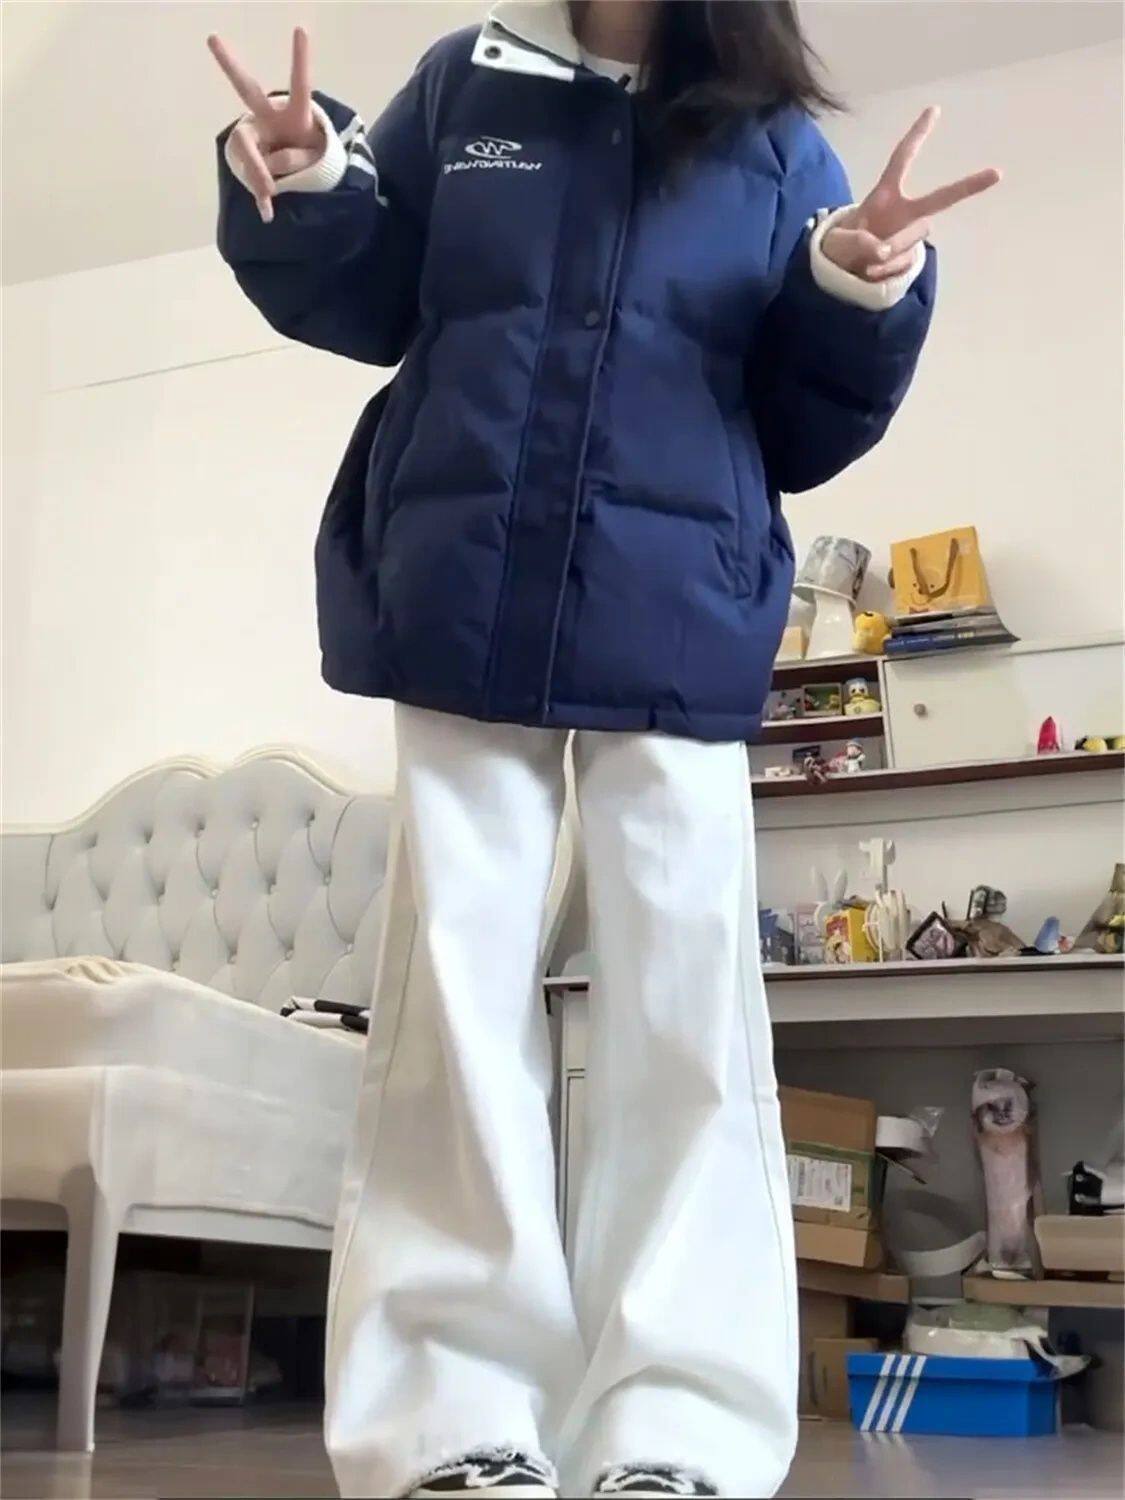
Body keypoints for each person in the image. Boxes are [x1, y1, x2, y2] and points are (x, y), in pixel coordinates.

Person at [210, 3, 998, 1495]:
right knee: (451, 1011)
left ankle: (678, 1431)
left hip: (677, 616)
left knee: (683, 1020)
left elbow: (804, 421)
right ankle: (449, 1424)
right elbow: (366, 297)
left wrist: (856, 283)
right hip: (461, 594)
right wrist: (307, 180)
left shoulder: (775, 139)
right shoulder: (467, 81)